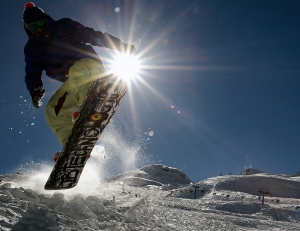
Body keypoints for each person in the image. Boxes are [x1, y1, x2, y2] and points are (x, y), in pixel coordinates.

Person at [22, 2, 136, 161]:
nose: (40, 29)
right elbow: (32, 72)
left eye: (42, 23)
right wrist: (35, 90)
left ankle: (92, 105)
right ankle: (72, 146)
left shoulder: (63, 25)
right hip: (73, 81)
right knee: (52, 110)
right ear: (28, 29)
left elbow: (94, 36)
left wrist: (121, 46)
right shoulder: (32, 49)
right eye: (34, 27)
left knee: (78, 71)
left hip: (89, 67)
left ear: (47, 20)